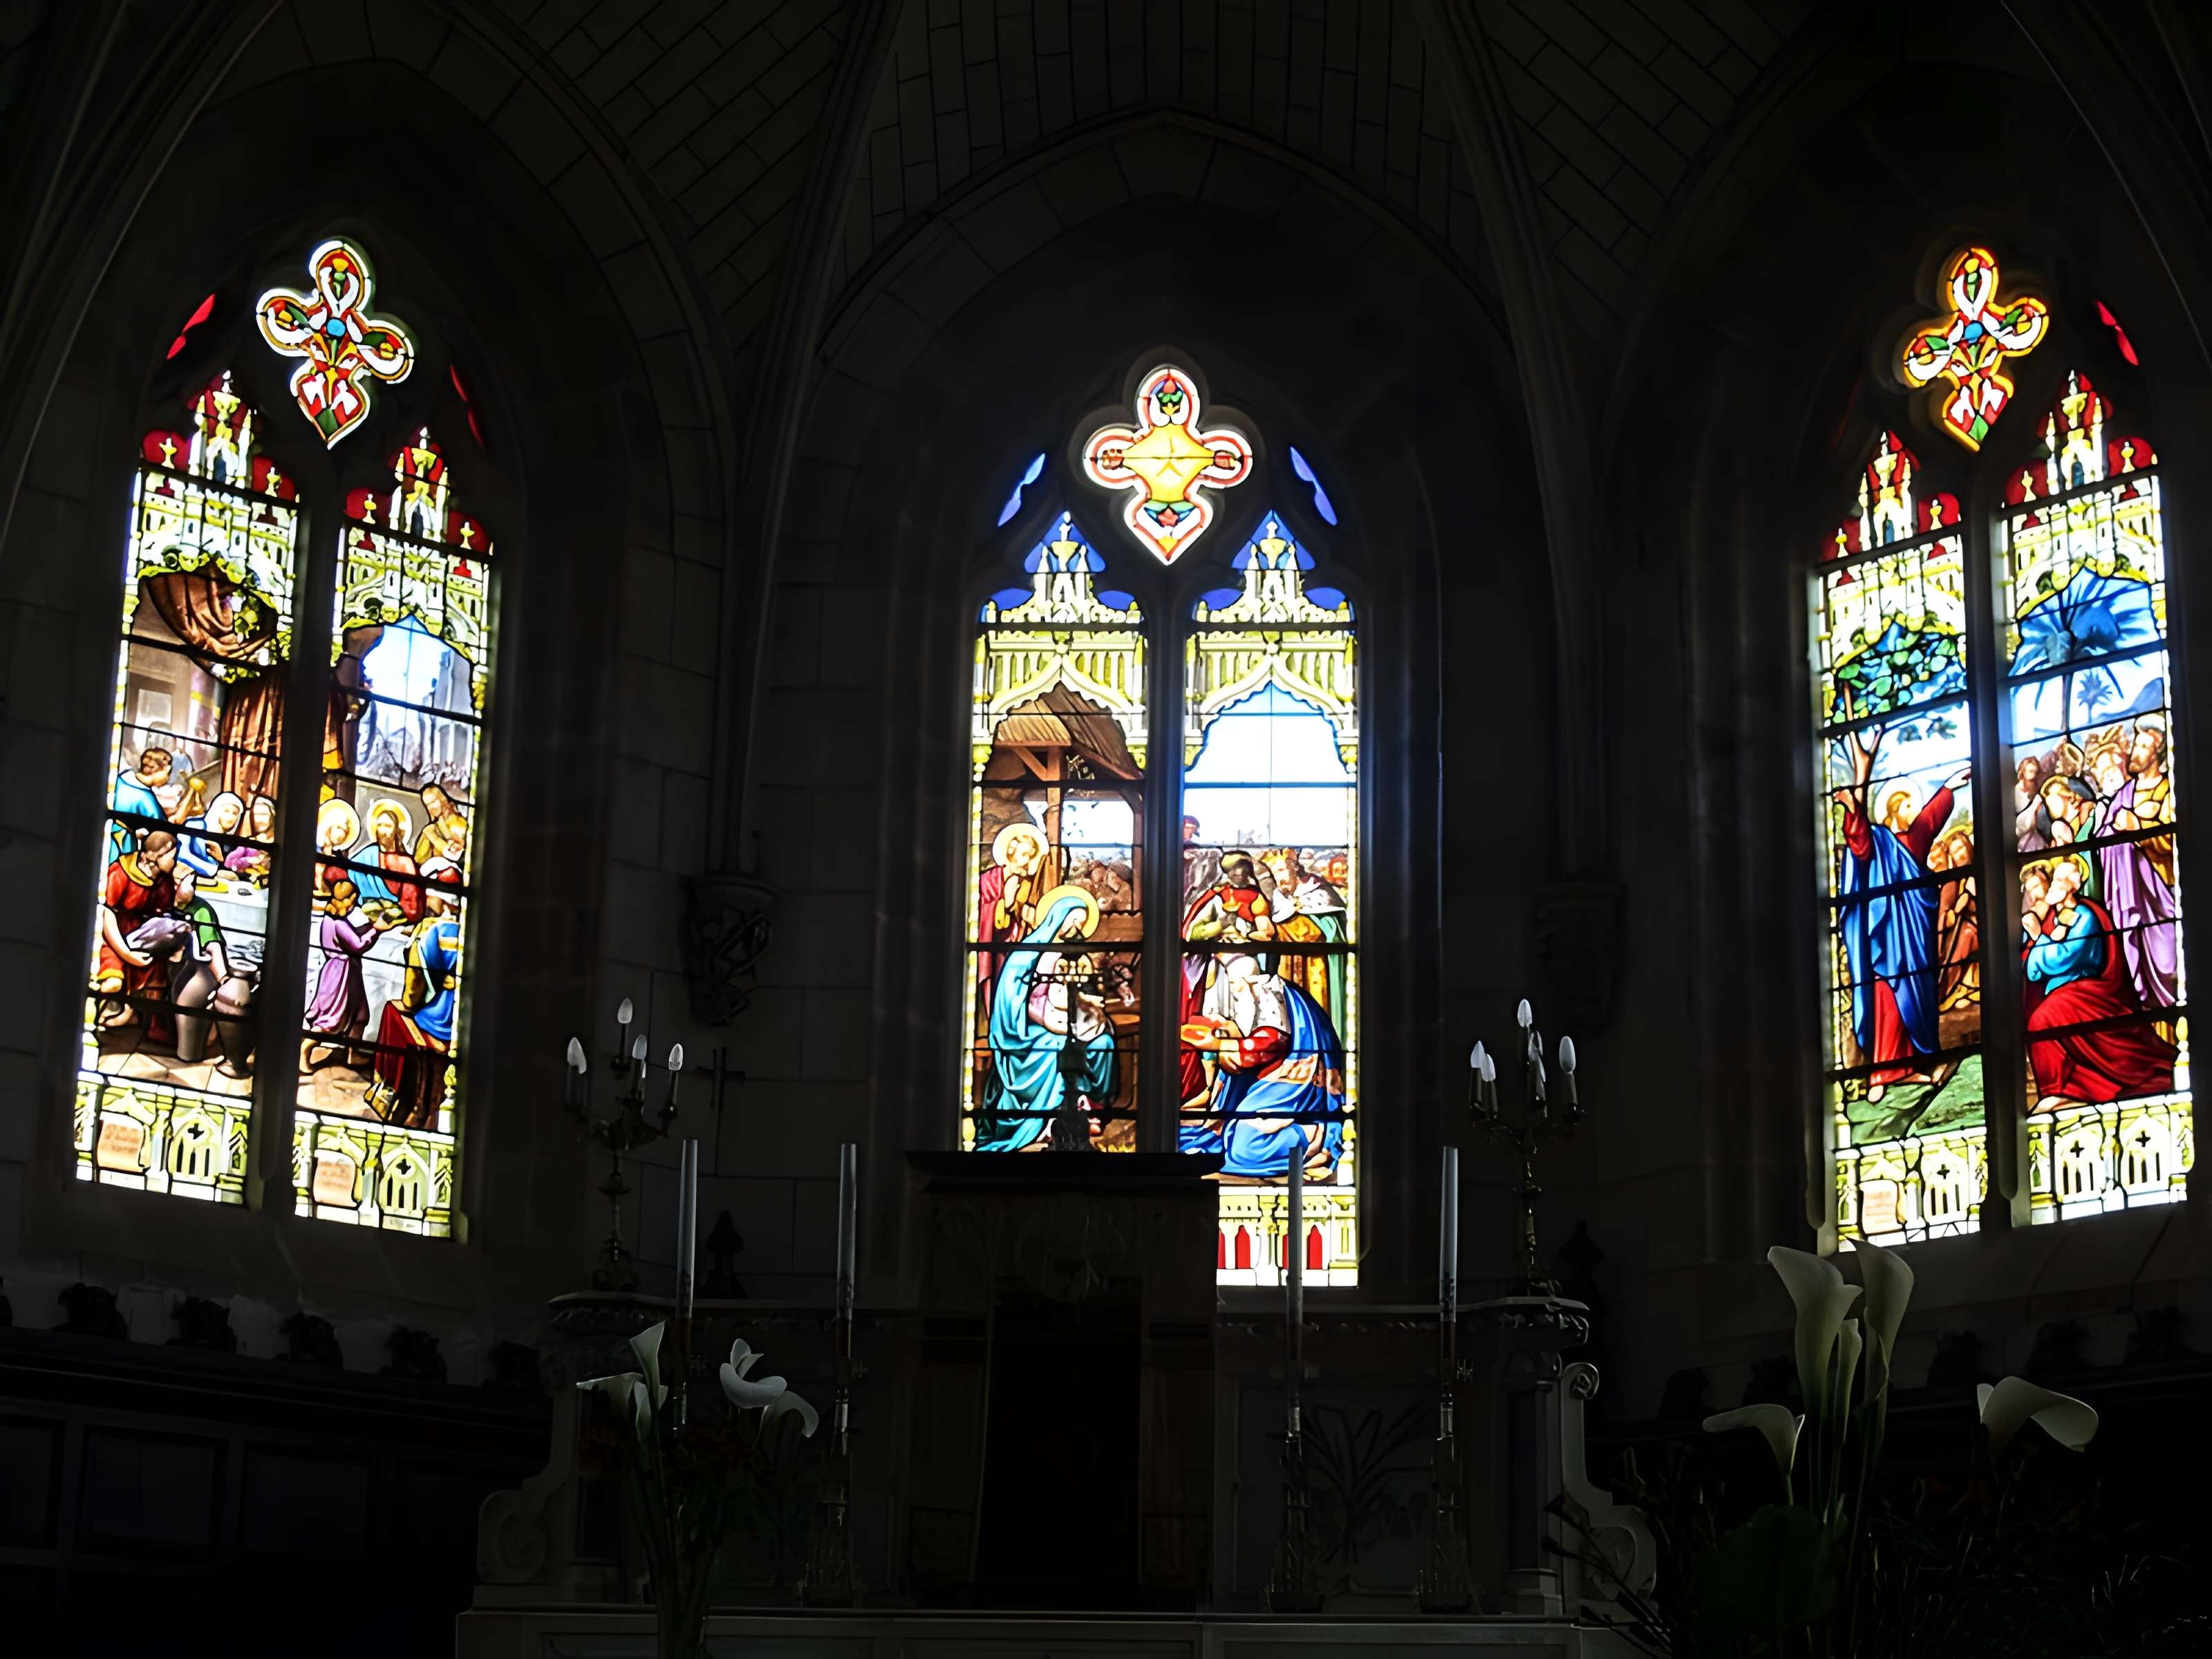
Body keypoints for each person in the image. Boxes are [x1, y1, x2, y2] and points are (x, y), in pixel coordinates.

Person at [1834, 722, 1967, 1102]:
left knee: (1917, 997)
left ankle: (1913, 1068)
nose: (1913, 810)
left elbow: (1931, 818)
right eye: (1908, 805)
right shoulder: (1880, 841)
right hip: (1887, 937)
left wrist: (1949, 787)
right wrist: (1853, 806)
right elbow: (1859, 843)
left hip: (1915, 937)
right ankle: (1881, 1074)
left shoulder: (1914, 839)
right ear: (1894, 809)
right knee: (1888, 996)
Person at [2023, 855, 2175, 1109]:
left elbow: (2067, 957)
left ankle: (2059, 1089)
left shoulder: (2086, 917)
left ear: (2073, 886)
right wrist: (2042, 941)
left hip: (2089, 989)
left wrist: (2039, 937)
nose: (2053, 886)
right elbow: (2033, 972)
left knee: (2041, 1021)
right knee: (2041, 1019)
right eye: (2054, 880)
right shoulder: (2055, 919)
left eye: (2059, 881)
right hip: (2065, 992)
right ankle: (2068, 1087)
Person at [1177, 950, 1347, 1177]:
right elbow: (1249, 1035)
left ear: (1250, 982)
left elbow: (1269, 1044)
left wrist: (1219, 1044)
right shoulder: (1256, 996)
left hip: (1290, 1085)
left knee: (1245, 1147)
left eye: (1235, 985)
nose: (1234, 992)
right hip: (1265, 1085)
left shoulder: (1269, 995)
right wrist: (1226, 1030)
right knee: (1215, 1137)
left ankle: (1317, 1135)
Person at [973, 885, 1116, 1153]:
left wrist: (1083, 1010)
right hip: (1024, 1031)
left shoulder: (1072, 953)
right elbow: (1016, 1001)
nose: (1077, 928)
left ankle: (1089, 1110)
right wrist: (1050, 1022)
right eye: (1074, 921)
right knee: (1057, 1047)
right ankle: (1049, 1122)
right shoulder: (1026, 954)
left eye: (1081, 924)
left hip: (1062, 1019)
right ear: (1057, 917)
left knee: (1104, 1042)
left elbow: (1072, 991)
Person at [2093, 717, 2179, 1010]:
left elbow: (2174, 841)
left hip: (2163, 893)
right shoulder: (2124, 794)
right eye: (2136, 745)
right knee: (2133, 968)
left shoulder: (2168, 790)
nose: (2136, 752)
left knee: (2170, 964)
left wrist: (2137, 827)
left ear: (2157, 752)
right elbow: (2102, 839)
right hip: (2128, 898)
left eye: (2143, 746)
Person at [1179, 852, 1275, 1107]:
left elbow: (1266, 930)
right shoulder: (1216, 897)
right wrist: (1219, 926)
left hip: (1244, 963)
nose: (1239, 873)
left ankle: (1239, 1087)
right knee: (1213, 1022)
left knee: (1243, 1021)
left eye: (1243, 868)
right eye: (1234, 869)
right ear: (1227, 872)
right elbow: (1192, 933)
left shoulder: (1256, 898)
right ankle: (1209, 1089)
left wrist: (1257, 933)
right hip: (1216, 965)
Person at [368, 865, 462, 1127]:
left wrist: (409, 1003)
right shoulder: (470, 932)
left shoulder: (436, 932)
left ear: (442, 899)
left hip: (438, 1019)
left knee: (393, 1011)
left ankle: (397, 1097)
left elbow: (415, 986)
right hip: (464, 1021)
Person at [300, 879, 401, 1071]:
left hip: (347, 974)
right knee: (331, 1019)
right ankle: (305, 1051)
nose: (355, 905)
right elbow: (358, 945)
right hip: (340, 977)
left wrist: (371, 927)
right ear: (347, 900)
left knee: (359, 1016)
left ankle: (353, 1054)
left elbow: (352, 938)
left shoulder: (331, 919)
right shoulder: (338, 923)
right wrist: (377, 930)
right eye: (353, 900)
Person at [91, 829, 179, 1029]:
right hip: (112, 939)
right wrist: (126, 953)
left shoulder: (164, 880)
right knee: (113, 983)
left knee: (158, 973)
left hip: (143, 939)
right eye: (171, 856)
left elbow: (163, 915)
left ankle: (148, 1025)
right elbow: (106, 914)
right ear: (154, 856)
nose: (174, 862)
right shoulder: (121, 872)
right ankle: (93, 1019)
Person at [1261, 847, 1349, 1029]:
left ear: (1295, 868)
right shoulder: (1275, 900)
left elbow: (1327, 931)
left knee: (1316, 1013)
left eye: (1281, 870)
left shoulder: (1319, 893)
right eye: (1273, 874)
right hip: (1286, 966)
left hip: (1315, 965)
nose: (1278, 879)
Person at [975, 820, 1048, 1004]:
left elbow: (1027, 920)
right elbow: (979, 915)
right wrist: (1005, 904)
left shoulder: (1027, 886)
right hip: (991, 949)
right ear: (1010, 853)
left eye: (1030, 857)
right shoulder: (986, 881)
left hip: (1012, 951)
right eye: (1023, 855)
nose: (1026, 862)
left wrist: (1020, 911)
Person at [1930, 828, 1979, 1014]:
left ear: (1969, 846)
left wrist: (1960, 907)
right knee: (1953, 939)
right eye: (1955, 852)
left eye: (1961, 848)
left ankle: (1945, 991)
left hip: (1981, 928)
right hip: (1964, 925)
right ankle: (1944, 989)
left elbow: (1966, 903)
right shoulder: (1957, 879)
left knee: (1965, 936)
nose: (1961, 854)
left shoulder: (1977, 872)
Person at [108, 745, 173, 860]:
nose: (168, 777)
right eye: (168, 772)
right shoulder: (145, 798)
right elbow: (163, 830)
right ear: (158, 771)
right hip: (122, 848)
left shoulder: (121, 778)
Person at [365, 800, 424, 919]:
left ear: (396, 830)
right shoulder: (366, 856)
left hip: (397, 921)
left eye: (388, 826)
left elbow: (411, 904)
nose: (382, 830)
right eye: (379, 825)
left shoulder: (406, 862)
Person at [178, 790, 246, 877]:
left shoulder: (230, 844)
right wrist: (212, 870)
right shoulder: (194, 825)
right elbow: (182, 853)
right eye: (226, 811)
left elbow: (231, 871)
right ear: (216, 810)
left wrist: (221, 860)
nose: (230, 817)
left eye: (235, 813)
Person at [411, 782, 468, 867]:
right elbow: (419, 860)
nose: (431, 807)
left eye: (434, 802)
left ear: (443, 800)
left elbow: (457, 853)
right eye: (428, 805)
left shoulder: (459, 822)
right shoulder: (431, 829)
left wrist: (434, 837)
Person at [222, 794, 278, 879]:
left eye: (263, 814)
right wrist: (248, 860)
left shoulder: (279, 841)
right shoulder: (249, 843)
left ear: (273, 815)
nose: (259, 820)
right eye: (256, 815)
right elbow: (229, 863)